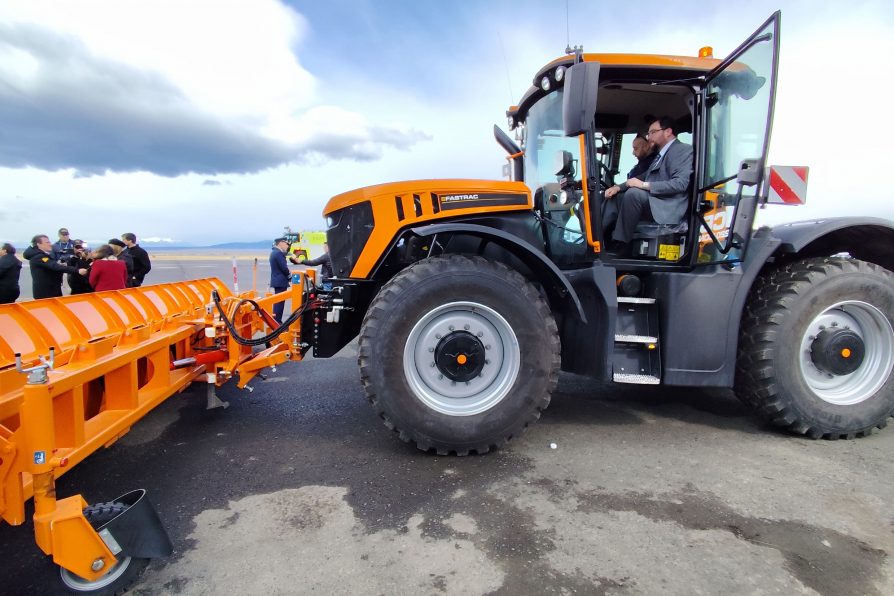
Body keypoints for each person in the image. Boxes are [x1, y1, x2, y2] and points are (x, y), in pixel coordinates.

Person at [603, 116, 693, 255]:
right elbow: (643, 176)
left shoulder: (682, 150)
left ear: (668, 132)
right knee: (613, 197)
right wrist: (618, 188)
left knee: (634, 194)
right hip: (654, 200)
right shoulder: (661, 154)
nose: (649, 136)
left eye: (652, 132)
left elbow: (680, 184)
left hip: (667, 205)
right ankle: (602, 240)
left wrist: (644, 185)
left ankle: (622, 245)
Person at [24, 235, 88, 299]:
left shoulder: (42, 255)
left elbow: (53, 266)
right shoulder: (39, 257)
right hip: (46, 293)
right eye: (47, 242)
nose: (50, 244)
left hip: (51, 290)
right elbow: (55, 267)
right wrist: (77, 270)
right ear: (38, 244)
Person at [269, 237, 291, 324]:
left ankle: (277, 320)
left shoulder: (274, 252)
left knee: (278, 301)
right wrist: (290, 277)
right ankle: (277, 322)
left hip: (277, 280)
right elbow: (284, 268)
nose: (287, 246)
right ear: (280, 243)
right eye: (286, 244)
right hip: (280, 281)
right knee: (279, 302)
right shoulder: (278, 253)